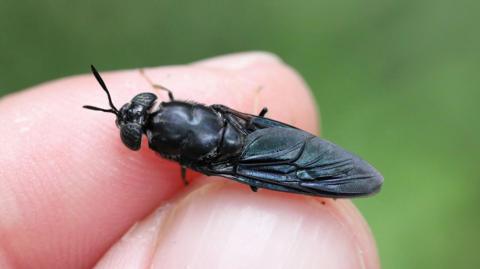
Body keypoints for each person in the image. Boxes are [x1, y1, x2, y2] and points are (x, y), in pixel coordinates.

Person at [0, 52, 380, 268]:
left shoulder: (166, 145)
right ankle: (312, 173)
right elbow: (211, 113)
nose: (136, 111)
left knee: (274, 176)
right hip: (244, 131)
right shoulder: (167, 106)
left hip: (235, 155)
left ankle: (310, 177)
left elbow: (196, 162)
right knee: (287, 155)